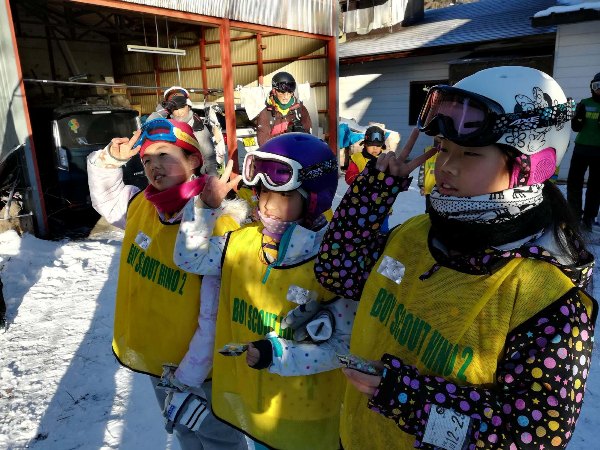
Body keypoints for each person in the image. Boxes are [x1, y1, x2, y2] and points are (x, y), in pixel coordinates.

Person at [315, 66, 597, 450]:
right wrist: (374, 192)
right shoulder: (419, 233)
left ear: (531, 166)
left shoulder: (549, 295)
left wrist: (405, 396)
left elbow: (532, 435)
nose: (446, 166)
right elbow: (338, 274)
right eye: (444, 149)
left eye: (470, 153)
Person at [173, 133, 356, 450]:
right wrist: (204, 207)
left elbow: (342, 346)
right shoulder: (243, 242)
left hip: (308, 415)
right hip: (257, 404)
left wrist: (280, 355)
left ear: (313, 199)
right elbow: (189, 257)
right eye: (260, 192)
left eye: (281, 195)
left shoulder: (333, 262)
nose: (266, 205)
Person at [86, 118, 249, 450]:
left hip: (201, 372)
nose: (153, 166)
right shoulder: (143, 205)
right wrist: (109, 161)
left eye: (164, 155)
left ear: (193, 161)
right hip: (159, 361)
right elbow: (107, 200)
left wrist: (186, 378)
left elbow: (214, 317)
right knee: (183, 431)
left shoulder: (220, 221)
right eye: (146, 159)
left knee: (218, 439)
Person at [149, 86, 220, 176]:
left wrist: (212, 181)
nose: (179, 112)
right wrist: (162, 111)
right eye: (174, 108)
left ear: (188, 106)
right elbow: (149, 126)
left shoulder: (198, 128)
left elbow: (210, 159)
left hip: (196, 180)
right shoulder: (166, 126)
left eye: (182, 106)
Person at [567, 72, 600, 230]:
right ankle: (573, 215)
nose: (599, 90)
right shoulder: (584, 103)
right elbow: (576, 128)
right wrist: (578, 118)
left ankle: (589, 218)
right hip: (581, 149)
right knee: (574, 183)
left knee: (596, 186)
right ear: (592, 87)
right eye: (596, 86)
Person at [256, 72, 312, 146]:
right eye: (282, 93)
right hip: (275, 155)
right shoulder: (266, 113)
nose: (286, 96)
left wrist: (303, 133)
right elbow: (263, 143)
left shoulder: (300, 110)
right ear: (274, 91)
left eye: (289, 93)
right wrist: (287, 135)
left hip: (297, 154)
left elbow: (310, 138)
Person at [417, 136, 440, 213]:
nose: (439, 138)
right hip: (429, 190)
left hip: (443, 191)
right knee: (429, 213)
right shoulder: (428, 151)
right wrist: (421, 185)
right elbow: (422, 170)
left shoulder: (450, 152)